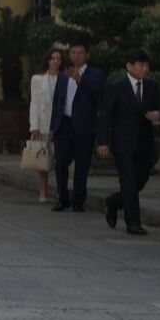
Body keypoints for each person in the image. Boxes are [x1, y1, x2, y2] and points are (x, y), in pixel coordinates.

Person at [97, 47, 160, 235]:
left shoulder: (152, 87)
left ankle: (114, 201)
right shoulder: (116, 87)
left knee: (139, 181)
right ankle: (133, 223)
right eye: (141, 65)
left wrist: (159, 114)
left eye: (147, 65)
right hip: (122, 143)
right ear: (129, 66)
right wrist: (103, 141)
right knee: (129, 181)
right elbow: (105, 116)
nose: (145, 69)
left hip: (145, 142)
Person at [50, 39, 104, 213]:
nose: (76, 56)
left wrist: (81, 80)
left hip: (84, 126)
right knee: (61, 162)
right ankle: (62, 198)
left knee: (82, 165)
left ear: (87, 54)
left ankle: (78, 200)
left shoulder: (95, 74)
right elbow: (57, 102)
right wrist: (52, 126)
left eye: (80, 53)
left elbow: (98, 97)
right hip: (64, 124)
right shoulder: (63, 75)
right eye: (73, 53)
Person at [27, 47, 62, 204]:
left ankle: (61, 192)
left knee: (60, 159)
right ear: (47, 60)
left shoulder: (65, 78)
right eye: (52, 58)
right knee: (43, 158)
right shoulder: (38, 79)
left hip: (60, 124)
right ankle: (43, 191)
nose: (55, 61)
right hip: (43, 123)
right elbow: (34, 103)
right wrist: (34, 125)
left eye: (58, 59)